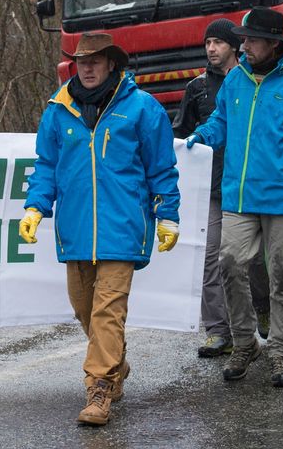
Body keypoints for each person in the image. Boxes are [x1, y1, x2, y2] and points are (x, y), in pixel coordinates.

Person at [19, 32, 181, 426]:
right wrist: (35, 207)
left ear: (112, 63)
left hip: (123, 227)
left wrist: (168, 215)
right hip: (75, 230)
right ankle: (116, 364)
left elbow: (161, 167)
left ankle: (99, 389)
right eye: (80, 61)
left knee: (107, 312)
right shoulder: (58, 110)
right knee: (85, 309)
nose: (86, 68)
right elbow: (45, 165)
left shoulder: (142, 109)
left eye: (94, 61)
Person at [186, 8, 283, 387]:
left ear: (273, 43)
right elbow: (221, 121)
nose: (244, 45)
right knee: (230, 262)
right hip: (239, 194)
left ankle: (280, 350)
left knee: (282, 273)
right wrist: (201, 137)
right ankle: (244, 343)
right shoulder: (235, 80)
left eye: (251, 40)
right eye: (243, 39)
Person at [173, 18, 271, 358]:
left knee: (255, 260)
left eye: (218, 42)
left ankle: (263, 307)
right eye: (207, 43)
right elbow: (182, 134)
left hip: (249, 187)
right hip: (211, 189)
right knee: (210, 258)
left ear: (234, 45)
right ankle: (218, 331)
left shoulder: (252, 81)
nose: (211, 49)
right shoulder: (197, 88)